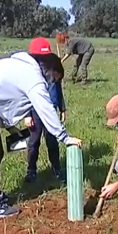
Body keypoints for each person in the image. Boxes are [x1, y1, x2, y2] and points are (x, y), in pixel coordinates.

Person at [0, 38, 82, 220]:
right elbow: (45, 107)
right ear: (48, 69)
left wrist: (11, 128)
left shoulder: (19, 65)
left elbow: (1, 98)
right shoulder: (34, 77)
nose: (50, 83)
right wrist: (64, 137)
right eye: (53, 79)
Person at [24, 38, 67, 183]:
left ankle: (57, 169)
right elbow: (24, 95)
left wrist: (62, 108)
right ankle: (31, 171)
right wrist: (27, 114)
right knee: (34, 142)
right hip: (34, 110)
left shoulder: (54, 67)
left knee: (52, 140)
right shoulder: (30, 70)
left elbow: (58, 89)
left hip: (51, 109)